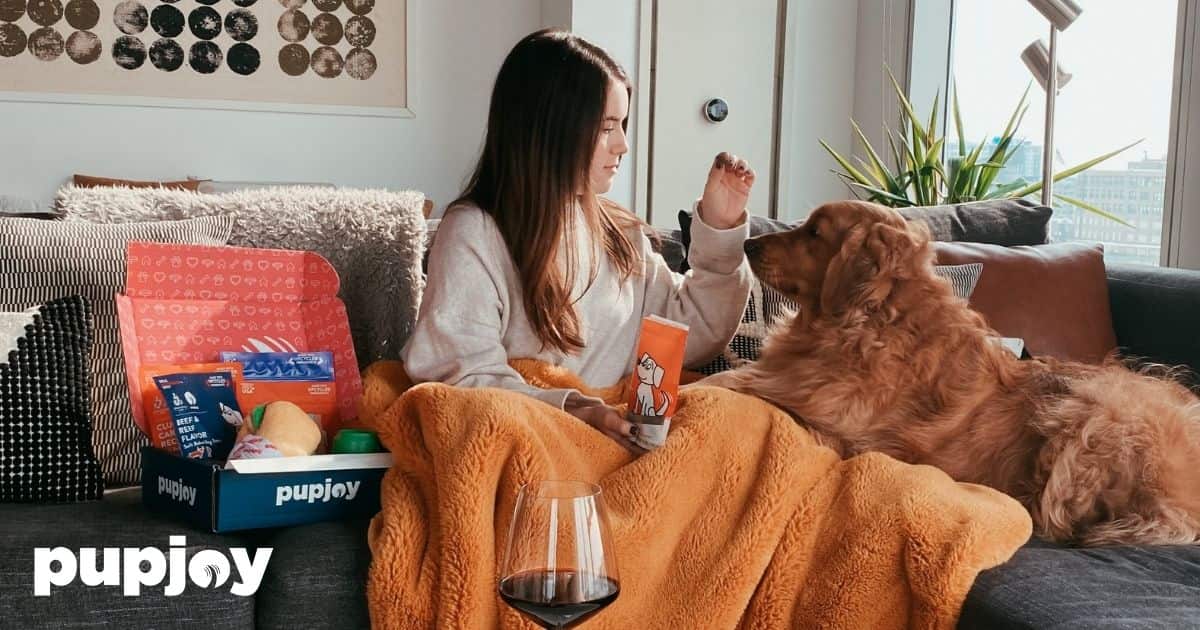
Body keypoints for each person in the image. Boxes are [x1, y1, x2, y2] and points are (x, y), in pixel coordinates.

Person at [401, 29, 754, 450]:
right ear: (549, 128)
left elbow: (687, 331)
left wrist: (719, 231)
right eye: (607, 128)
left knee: (752, 420)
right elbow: (459, 376)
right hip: (540, 438)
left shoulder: (619, 232)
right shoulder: (475, 233)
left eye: (622, 125)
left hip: (624, 436)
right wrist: (572, 409)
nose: (623, 145)